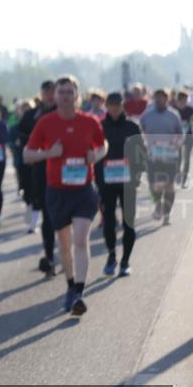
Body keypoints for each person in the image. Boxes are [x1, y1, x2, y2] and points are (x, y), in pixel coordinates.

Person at [24, 75, 107, 316]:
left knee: (81, 239)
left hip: (83, 189)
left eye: (69, 92)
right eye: (61, 92)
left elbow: (103, 145)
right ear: (54, 96)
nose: (64, 96)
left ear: (77, 96)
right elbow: (28, 155)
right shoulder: (45, 123)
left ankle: (80, 292)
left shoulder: (90, 121)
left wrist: (97, 156)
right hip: (57, 191)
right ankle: (71, 285)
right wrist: (50, 152)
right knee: (65, 244)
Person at [96, 92, 145, 277]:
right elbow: (94, 153)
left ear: (122, 105)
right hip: (106, 182)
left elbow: (141, 153)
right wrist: (97, 179)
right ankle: (111, 256)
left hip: (128, 182)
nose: (114, 107)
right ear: (106, 106)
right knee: (108, 222)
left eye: (117, 104)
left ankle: (125, 261)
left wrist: (137, 174)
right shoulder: (99, 126)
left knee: (129, 223)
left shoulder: (132, 126)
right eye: (111, 104)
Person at [17, 80, 58, 274]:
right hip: (41, 169)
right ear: (41, 93)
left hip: (65, 170)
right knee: (47, 217)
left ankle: (68, 251)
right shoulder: (32, 115)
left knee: (66, 215)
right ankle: (49, 256)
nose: (49, 95)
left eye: (52, 91)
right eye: (46, 92)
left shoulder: (64, 112)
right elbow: (21, 136)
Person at [139, 88, 184, 224]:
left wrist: (176, 143)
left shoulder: (174, 115)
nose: (159, 100)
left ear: (167, 98)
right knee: (155, 184)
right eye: (156, 97)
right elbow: (140, 133)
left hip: (170, 155)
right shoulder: (146, 116)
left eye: (162, 97)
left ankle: (167, 214)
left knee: (169, 185)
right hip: (153, 155)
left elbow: (180, 134)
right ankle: (158, 205)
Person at [174, 89, 192, 188]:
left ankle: (184, 180)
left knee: (187, 159)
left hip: (188, 136)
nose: (185, 102)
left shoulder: (190, 110)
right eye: (183, 100)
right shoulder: (174, 110)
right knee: (178, 158)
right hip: (176, 137)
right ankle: (177, 176)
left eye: (186, 100)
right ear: (178, 100)